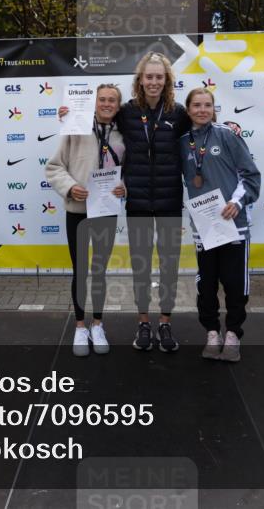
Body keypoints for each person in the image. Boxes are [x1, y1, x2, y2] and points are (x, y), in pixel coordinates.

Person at [61, 52, 190, 352]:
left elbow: (200, 130)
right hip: (138, 203)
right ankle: (144, 322)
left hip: (170, 199)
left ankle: (166, 323)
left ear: (167, 80)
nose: (154, 81)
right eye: (149, 76)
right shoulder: (127, 112)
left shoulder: (180, 113)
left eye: (160, 77)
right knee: (141, 266)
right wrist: (69, 113)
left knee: (169, 266)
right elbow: (98, 118)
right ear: (140, 80)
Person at [179, 88, 260, 362]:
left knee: (235, 285)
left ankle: (233, 333)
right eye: (197, 105)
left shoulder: (227, 135)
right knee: (207, 284)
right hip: (205, 227)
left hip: (232, 224)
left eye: (207, 105)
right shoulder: (182, 142)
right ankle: (212, 332)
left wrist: (237, 202)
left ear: (214, 108)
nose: (202, 110)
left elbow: (250, 175)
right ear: (188, 109)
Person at [46, 84, 126, 356]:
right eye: (102, 99)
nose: (106, 104)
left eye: (112, 100)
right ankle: (80, 326)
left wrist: (125, 185)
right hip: (78, 211)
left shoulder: (124, 132)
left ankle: (98, 324)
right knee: (80, 269)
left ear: (118, 105)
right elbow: (54, 167)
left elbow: (132, 168)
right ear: (94, 103)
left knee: (100, 270)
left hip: (106, 210)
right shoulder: (75, 128)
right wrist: (69, 187)